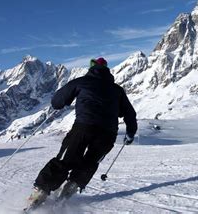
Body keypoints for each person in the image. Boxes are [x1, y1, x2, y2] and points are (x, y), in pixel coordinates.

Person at [26, 57, 137, 209]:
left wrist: (64, 102)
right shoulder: (117, 90)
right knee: (90, 163)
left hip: (83, 127)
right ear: (107, 70)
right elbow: (130, 114)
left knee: (65, 160)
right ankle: (69, 190)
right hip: (107, 134)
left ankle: (40, 193)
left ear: (91, 68)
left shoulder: (81, 82)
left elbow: (56, 101)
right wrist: (130, 133)